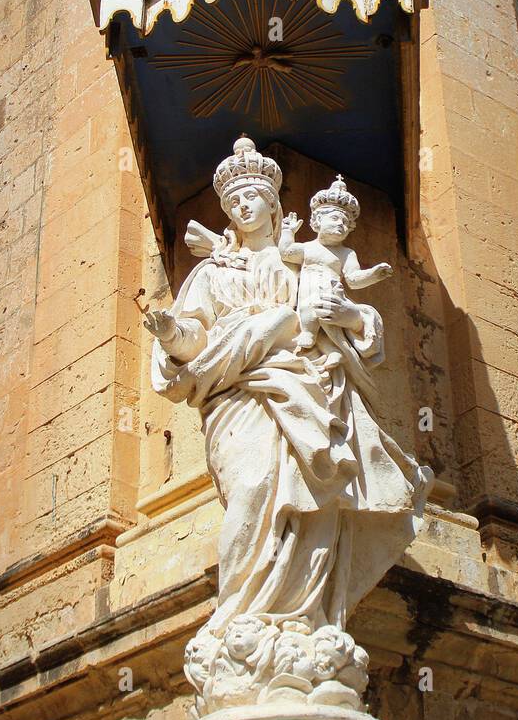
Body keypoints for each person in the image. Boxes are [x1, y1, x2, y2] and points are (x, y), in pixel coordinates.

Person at [143, 136, 433, 645]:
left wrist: (347, 315)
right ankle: (239, 614)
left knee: (313, 495)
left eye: (251, 196)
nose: (242, 205)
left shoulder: (298, 263)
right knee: (252, 487)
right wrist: (171, 333)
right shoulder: (210, 272)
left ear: (274, 204)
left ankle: (301, 616)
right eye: (233, 202)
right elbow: (196, 339)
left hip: (302, 387)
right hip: (236, 396)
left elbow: (350, 313)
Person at [278, 174, 393, 352]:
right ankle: (308, 333)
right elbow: (286, 252)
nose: (341, 224)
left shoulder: (347, 253)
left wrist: (373, 274)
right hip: (309, 289)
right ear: (317, 221)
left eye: (346, 222)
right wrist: (287, 231)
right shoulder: (309, 247)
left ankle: (334, 353)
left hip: (333, 292)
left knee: (331, 324)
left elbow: (353, 280)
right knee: (309, 310)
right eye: (334, 218)